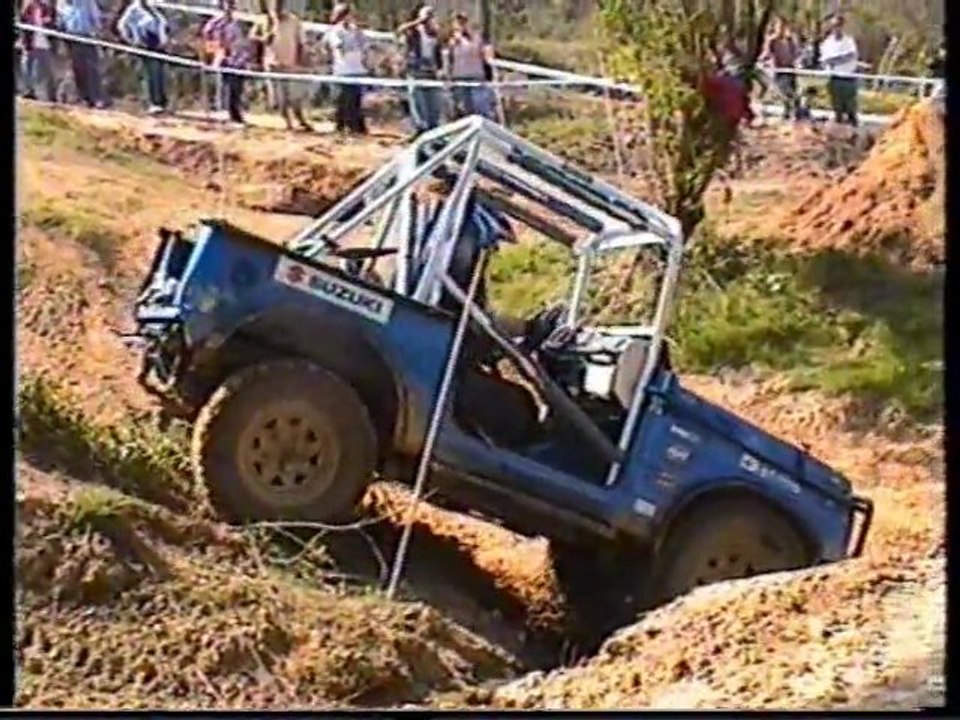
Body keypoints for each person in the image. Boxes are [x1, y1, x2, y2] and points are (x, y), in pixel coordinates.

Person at [253, 0, 314, 132]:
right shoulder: (265, 20)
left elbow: (301, 42)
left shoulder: (293, 21)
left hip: (292, 65)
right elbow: (252, 36)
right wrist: (264, 38)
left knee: (295, 96)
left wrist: (303, 60)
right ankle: (288, 123)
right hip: (273, 64)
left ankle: (301, 119)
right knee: (280, 97)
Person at [397, 4, 444, 135]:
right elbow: (400, 30)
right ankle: (421, 128)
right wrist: (419, 21)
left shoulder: (435, 33)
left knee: (434, 103)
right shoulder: (413, 32)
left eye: (430, 15)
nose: (429, 18)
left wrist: (440, 68)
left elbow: (438, 52)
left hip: (431, 73)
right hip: (416, 71)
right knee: (418, 102)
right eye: (426, 14)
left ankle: (433, 127)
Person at [201, 0, 250, 125]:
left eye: (231, 4)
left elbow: (244, 40)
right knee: (229, 87)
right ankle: (231, 114)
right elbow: (208, 38)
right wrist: (213, 55)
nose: (229, 7)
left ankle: (235, 113)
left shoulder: (238, 22)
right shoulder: (216, 24)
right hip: (226, 60)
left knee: (237, 89)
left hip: (240, 60)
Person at [323, 3, 368, 135]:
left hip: (358, 70)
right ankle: (342, 127)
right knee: (344, 100)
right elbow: (338, 47)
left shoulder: (356, 30)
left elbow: (364, 46)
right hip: (343, 70)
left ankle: (356, 127)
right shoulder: (335, 31)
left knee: (356, 100)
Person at [117, 0, 169, 115]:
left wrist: (164, 39)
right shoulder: (134, 10)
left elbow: (162, 23)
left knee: (159, 73)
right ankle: (152, 103)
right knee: (149, 74)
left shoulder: (155, 6)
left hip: (158, 45)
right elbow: (122, 25)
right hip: (145, 45)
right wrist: (132, 39)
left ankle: (161, 101)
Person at [445, 12, 495, 121]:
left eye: (463, 22)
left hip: (476, 78)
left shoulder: (477, 38)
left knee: (482, 109)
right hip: (459, 79)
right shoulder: (451, 41)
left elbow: (486, 54)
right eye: (458, 22)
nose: (461, 25)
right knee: (463, 111)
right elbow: (447, 60)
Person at [58, 0, 105, 108]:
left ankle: (97, 98)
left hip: (87, 36)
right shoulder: (61, 3)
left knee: (92, 69)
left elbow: (95, 16)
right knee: (78, 69)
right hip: (70, 38)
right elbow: (61, 20)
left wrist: (98, 32)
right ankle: (84, 97)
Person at [819, 14, 859, 127]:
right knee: (837, 108)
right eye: (835, 26)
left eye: (839, 25)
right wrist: (840, 59)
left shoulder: (849, 41)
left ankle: (854, 130)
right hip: (835, 78)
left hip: (849, 77)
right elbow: (826, 60)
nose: (837, 28)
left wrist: (836, 59)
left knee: (851, 107)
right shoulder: (828, 43)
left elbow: (851, 56)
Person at [20, 0, 59, 103]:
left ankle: (51, 95)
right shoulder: (29, 6)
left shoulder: (49, 8)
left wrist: (48, 22)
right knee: (26, 66)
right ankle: (29, 91)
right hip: (30, 42)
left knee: (46, 70)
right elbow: (22, 20)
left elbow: (54, 23)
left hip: (45, 43)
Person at [762, 16, 800, 120]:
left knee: (790, 89)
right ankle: (788, 110)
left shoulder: (789, 40)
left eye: (783, 26)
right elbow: (767, 54)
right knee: (784, 90)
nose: (781, 29)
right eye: (779, 26)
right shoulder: (772, 41)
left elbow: (796, 53)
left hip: (789, 69)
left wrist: (794, 61)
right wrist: (765, 62)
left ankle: (791, 111)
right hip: (778, 70)